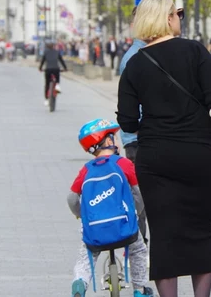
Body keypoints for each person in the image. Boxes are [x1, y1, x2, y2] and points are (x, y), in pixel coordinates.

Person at [117, 0, 211, 297]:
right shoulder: (195, 51)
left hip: (157, 158)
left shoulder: (134, 64)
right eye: (176, 14)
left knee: (163, 235)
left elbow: (128, 123)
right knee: (200, 231)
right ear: (167, 18)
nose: (178, 19)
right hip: (201, 155)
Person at [67, 119, 154, 297]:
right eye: (113, 137)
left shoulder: (86, 170)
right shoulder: (123, 164)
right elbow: (139, 193)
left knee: (87, 255)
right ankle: (139, 290)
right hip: (124, 227)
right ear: (107, 142)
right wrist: (136, 211)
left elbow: (72, 198)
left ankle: (79, 284)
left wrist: (81, 215)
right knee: (138, 250)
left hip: (95, 229)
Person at [118, 6, 148, 244]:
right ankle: (140, 249)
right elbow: (130, 109)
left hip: (137, 139)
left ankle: (141, 249)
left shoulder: (138, 54)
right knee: (142, 199)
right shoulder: (136, 57)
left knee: (142, 198)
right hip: (140, 139)